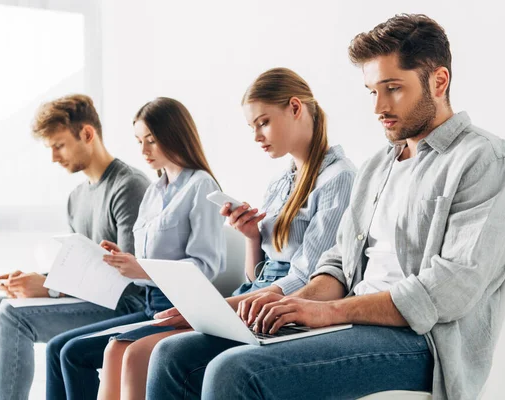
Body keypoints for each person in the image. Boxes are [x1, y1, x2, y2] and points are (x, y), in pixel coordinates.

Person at [146, 14, 505, 400]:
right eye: (371, 91)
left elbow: (451, 289)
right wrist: (289, 302)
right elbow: (338, 262)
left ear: (439, 81)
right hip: (351, 322)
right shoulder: (379, 164)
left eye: (393, 88)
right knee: (173, 354)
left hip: (421, 344)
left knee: (236, 372)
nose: (379, 106)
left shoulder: (483, 160)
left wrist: (330, 313)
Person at [97, 67, 356, 400]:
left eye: (263, 122)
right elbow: (256, 276)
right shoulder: (281, 182)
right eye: (252, 127)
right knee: (127, 348)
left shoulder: (339, 178)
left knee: (144, 352)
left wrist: (222, 305)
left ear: (295, 108)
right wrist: (251, 237)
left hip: (283, 309)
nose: (257, 136)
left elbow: (308, 278)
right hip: (255, 297)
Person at [0, 94, 151, 400]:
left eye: (58, 146)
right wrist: (33, 282)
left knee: (12, 317)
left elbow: (130, 283)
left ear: (87, 134)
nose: (54, 157)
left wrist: (49, 288)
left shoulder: (128, 187)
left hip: (125, 307)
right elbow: (79, 268)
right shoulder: (77, 197)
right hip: (88, 301)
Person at [45, 97, 226, 400]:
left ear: (175, 135)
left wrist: (142, 268)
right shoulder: (155, 191)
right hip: (149, 306)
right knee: (64, 349)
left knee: (82, 353)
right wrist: (123, 259)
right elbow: (147, 259)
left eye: (152, 141)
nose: (143, 151)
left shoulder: (201, 186)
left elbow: (207, 267)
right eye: (139, 141)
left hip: (180, 309)